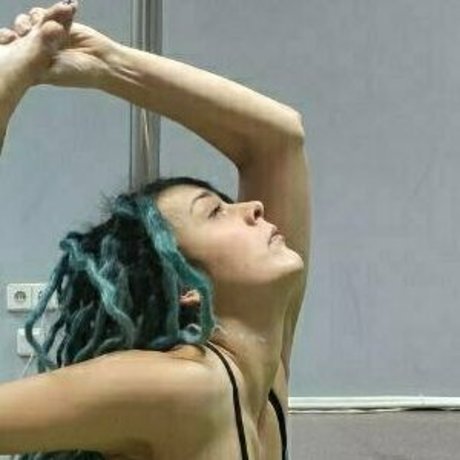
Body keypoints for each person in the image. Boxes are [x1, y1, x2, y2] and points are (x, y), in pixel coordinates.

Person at [0, 1, 311, 459]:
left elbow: (278, 138)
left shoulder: (263, 361)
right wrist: (9, 80)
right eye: (215, 212)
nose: (254, 208)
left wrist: (108, 62)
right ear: (188, 288)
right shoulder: (179, 387)